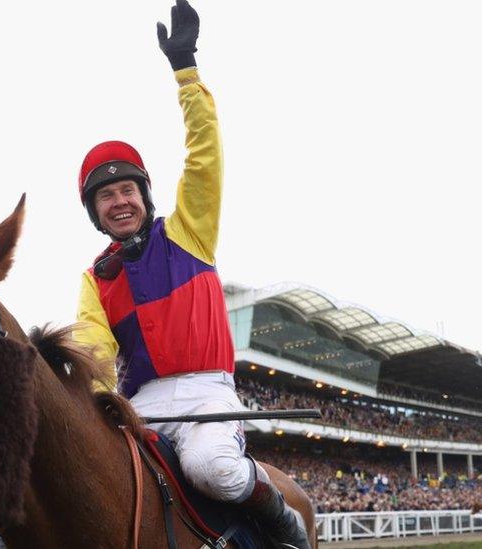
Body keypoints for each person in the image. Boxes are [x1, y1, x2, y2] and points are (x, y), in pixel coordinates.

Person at [73, 2, 309, 547]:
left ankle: (284, 526)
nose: (119, 202)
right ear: (96, 212)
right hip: (141, 404)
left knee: (213, 470)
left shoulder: (187, 232)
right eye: (106, 196)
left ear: (144, 195)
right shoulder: (94, 279)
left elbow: (205, 156)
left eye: (127, 190)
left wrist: (187, 72)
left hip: (207, 394)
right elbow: (93, 351)